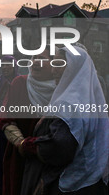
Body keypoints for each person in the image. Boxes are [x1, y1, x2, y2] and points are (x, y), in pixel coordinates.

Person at [19, 46, 109, 195]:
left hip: (71, 183)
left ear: (75, 68)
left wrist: (28, 145)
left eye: (60, 64)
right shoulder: (91, 100)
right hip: (92, 178)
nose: (54, 70)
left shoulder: (68, 104)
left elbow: (60, 148)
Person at [0, 47, 56, 195]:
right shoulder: (20, 83)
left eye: (43, 59)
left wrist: (41, 148)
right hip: (20, 154)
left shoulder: (61, 89)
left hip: (48, 155)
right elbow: (6, 118)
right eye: (34, 57)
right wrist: (21, 143)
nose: (36, 62)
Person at [0, 55, 19, 195]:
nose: (5, 67)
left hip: (14, 124)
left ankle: (12, 184)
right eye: (3, 65)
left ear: (14, 66)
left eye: (8, 65)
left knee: (12, 156)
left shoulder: (19, 81)